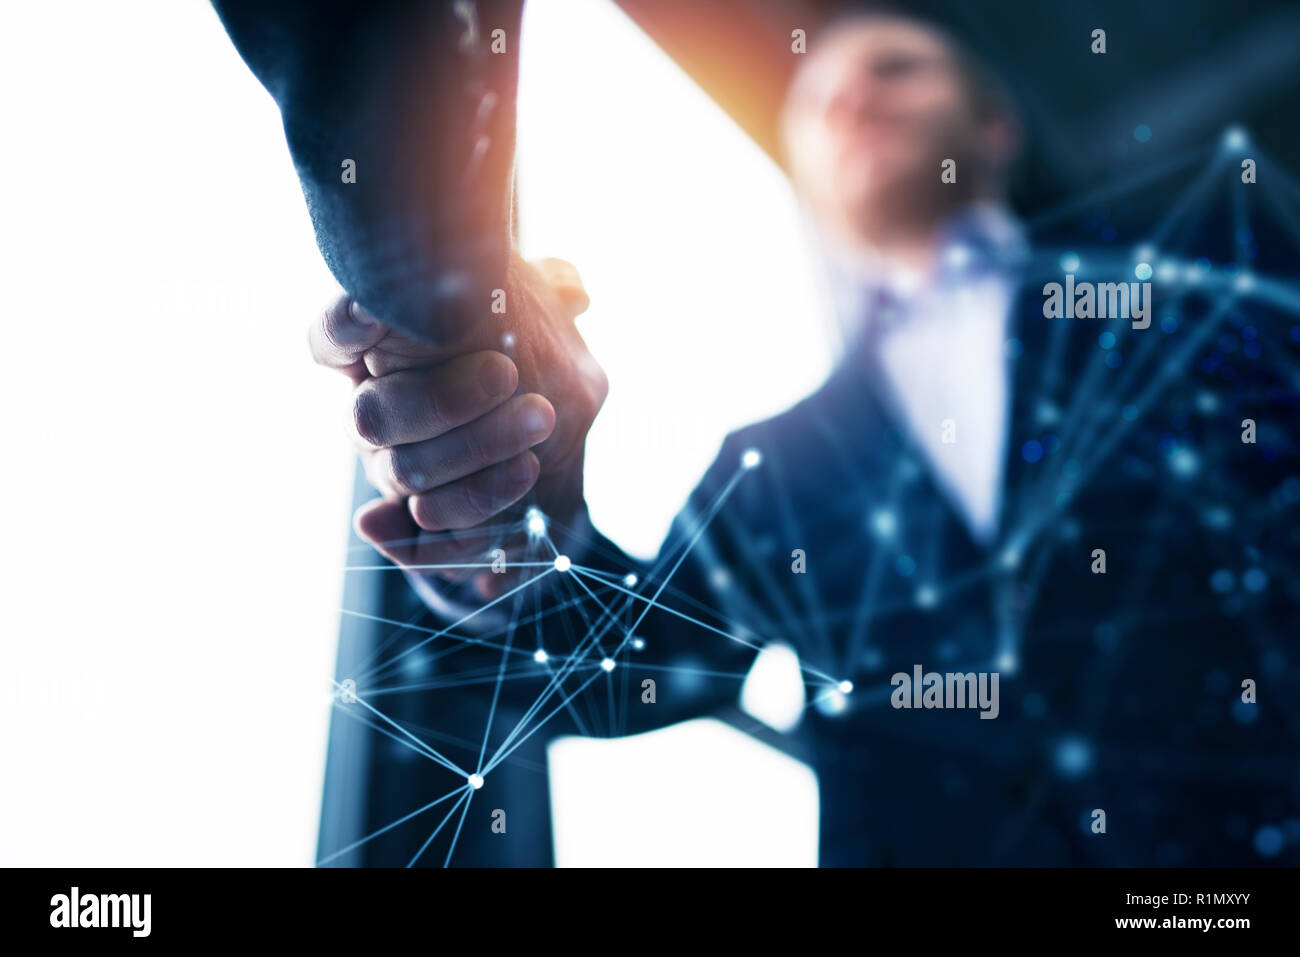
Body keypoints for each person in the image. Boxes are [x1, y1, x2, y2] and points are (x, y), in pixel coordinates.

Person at [312, 13, 1297, 866]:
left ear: (992, 127)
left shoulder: (1192, 307)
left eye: (894, 69)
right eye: (814, 98)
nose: (846, 101)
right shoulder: (779, 464)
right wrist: (524, 521)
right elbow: (637, 676)